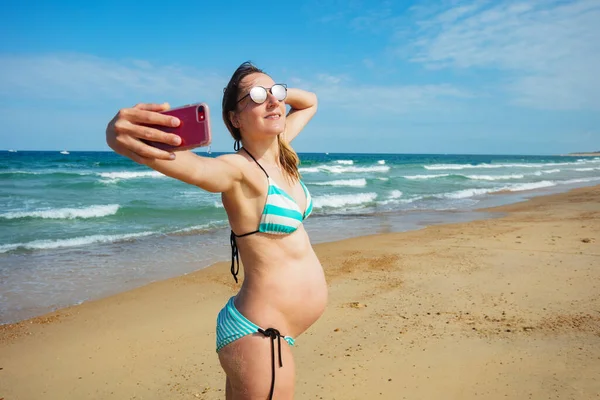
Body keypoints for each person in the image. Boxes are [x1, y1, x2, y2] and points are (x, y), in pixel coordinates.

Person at [105, 61, 328, 399]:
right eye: (255, 97)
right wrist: (120, 138)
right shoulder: (236, 170)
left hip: (268, 333)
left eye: (277, 94)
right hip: (260, 333)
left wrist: (269, 92)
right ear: (234, 119)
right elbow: (192, 167)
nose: (272, 102)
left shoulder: (281, 152)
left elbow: (310, 101)